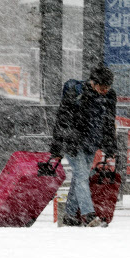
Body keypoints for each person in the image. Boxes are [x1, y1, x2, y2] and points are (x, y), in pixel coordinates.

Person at [50, 65, 117, 227]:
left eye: (108, 87)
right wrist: (57, 149)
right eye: (102, 87)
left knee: (81, 177)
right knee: (81, 176)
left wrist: (110, 148)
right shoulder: (76, 93)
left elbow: (109, 123)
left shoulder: (109, 97)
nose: (105, 90)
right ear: (93, 83)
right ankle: (88, 215)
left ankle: (70, 214)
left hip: (91, 143)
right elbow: (62, 121)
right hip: (73, 143)